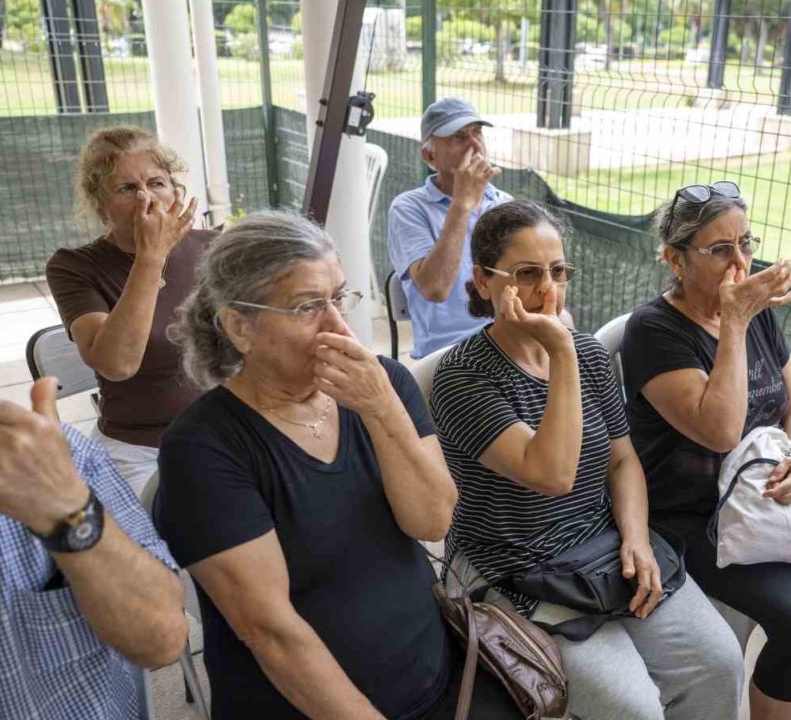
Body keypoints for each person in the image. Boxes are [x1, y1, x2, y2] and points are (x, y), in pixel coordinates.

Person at [153, 211, 519, 720]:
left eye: (339, 298)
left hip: (438, 679)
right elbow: (269, 630)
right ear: (240, 326)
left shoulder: (382, 382)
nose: (340, 327)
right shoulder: (204, 447)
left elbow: (432, 521)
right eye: (308, 307)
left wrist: (381, 407)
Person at [431, 200, 745, 720]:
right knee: (635, 709)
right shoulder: (465, 376)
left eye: (557, 271)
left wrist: (639, 539)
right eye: (527, 274)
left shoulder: (585, 351)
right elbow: (551, 474)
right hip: (514, 566)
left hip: (599, 546)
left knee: (720, 663)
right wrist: (560, 354)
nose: (547, 289)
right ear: (484, 282)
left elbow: (622, 461)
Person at [620, 182, 791, 720]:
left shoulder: (755, 312)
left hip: (768, 497)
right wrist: (737, 322)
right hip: (695, 517)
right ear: (674, 259)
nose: (741, 261)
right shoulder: (653, 330)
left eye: (746, 243)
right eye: (720, 249)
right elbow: (720, 432)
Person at [0, 241, 187, 719]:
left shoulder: (57, 457)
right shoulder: (79, 264)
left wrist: (67, 511)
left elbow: (162, 639)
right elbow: (117, 361)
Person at [46, 125, 215, 496]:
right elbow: (117, 364)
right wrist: (151, 258)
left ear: (176, 192)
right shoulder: (74, 267)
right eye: (127, 189)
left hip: (223, 436)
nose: (146, 199)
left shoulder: (214, 249)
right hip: (139, 452)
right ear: (99, 206)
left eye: (156, 183)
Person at [387, 97, 512, 359]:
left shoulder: (503, 204)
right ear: (429, 155)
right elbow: (435, 288)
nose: (475, 145)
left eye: (477, 133)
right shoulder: (409, 208)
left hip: (508, 342)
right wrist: (462, 204)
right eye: (458, 137)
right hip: (448, 356)